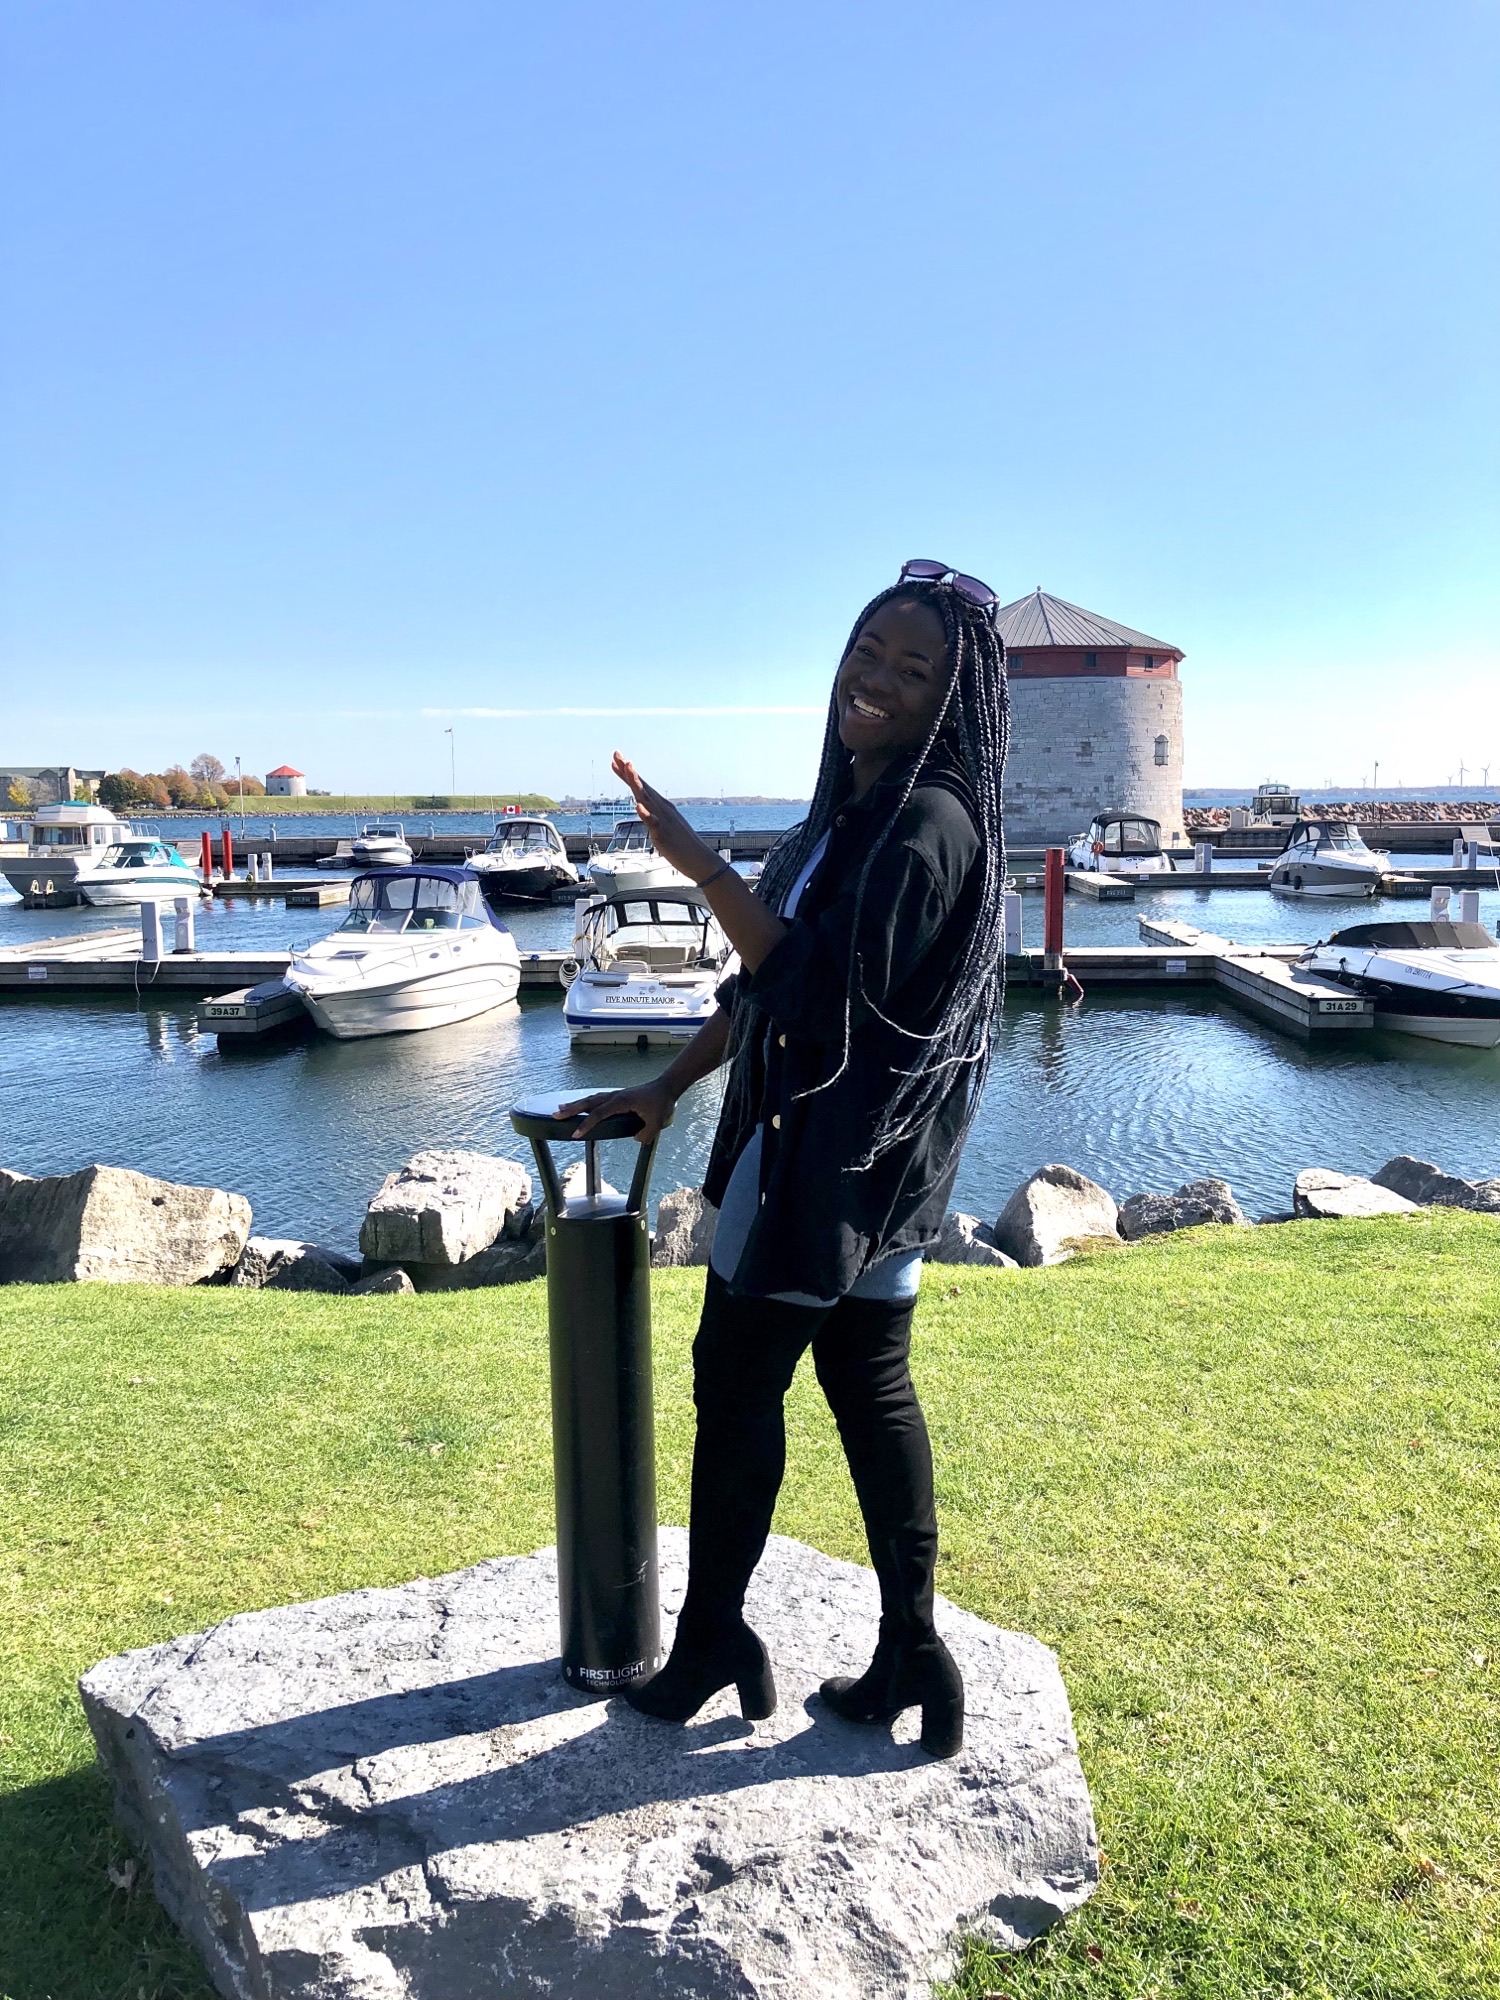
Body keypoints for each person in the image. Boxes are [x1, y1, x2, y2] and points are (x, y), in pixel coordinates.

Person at [565, 560, 1008, 1759]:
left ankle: (717, 1639)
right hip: (874, 1164)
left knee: (736, 1381)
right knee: (869, 1384)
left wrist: (696, 862)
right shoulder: (859, 804)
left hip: (823, 1158)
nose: (877, 680)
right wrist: (664, 1085)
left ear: (952, 696)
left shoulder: (926, 824)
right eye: (871, 650)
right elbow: (761, 979)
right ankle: (910, 1648)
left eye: (913, 670)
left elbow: (811, 994)